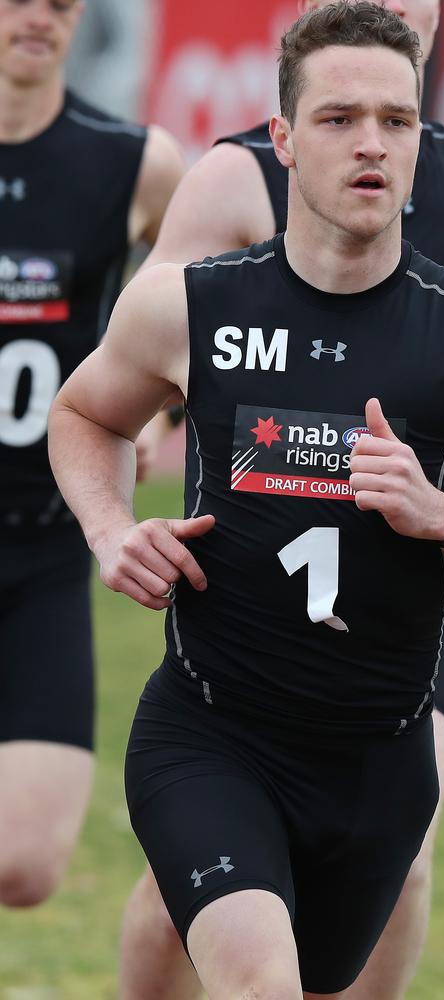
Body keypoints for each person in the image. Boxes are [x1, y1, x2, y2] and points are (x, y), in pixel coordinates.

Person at [49, 3, 444, 998]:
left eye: (395, 120)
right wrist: (111, 529)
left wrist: (443, 515)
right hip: (211, 731)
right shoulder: (191, 303)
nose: (370, 144)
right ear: (283, 141)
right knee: (258, 983)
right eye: (338, 119)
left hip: (378, 761)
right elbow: (85, 413)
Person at [0, 0, 184, 909]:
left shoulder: (134, 163)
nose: (39, 17)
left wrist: (155, 413)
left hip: (40, 548)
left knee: (26, 869)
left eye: (61, 3)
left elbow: (215, 302)